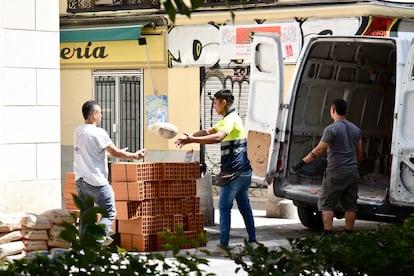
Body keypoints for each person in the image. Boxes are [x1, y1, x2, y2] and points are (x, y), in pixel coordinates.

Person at [175, 89, 259, 256]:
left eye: (215, 103)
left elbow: (218, 137)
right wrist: (190, 136)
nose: (213, 106)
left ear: (223, 103)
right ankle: (253, 241)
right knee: (245, 207)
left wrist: (192, 140)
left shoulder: (229, 121)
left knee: (224, 207)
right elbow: (208, 132)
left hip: (233, 174)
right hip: (244, 173)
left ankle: (223, 246)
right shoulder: (231, 118)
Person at [74, 100, 146, 246]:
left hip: (81, 181)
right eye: (100, 113)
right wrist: (134, 156)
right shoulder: (98, 132)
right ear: (94, 114)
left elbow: (93, 152)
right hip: (97, 181)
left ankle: (84, 246)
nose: (101, 116)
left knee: (86, 215)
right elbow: (115, 152)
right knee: (110, 211)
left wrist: (115, 154)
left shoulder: (79, 131)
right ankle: (98, 238)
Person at [290, 98, 363, 235]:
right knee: (350, 205)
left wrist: (300, 163)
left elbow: (319, 150)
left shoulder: (331, 129)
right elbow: (359, 152)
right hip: (352, 171)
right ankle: (348, 234)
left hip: (336, 171)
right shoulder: (356, 129)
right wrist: (354, 166)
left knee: (327, 203)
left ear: (333, 110)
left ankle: (327, 233)